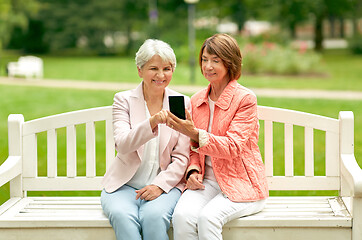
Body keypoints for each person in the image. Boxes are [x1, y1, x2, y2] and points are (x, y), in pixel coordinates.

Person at [167, 33, 269, 240]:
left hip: (242, 183)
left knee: (208, 218)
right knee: (181, 216)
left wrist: (194, 133)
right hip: (208, 182)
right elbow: (193, 148)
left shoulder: (245, 99)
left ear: (230, 63)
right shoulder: (197, 100)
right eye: (204, 60)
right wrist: (193, 171)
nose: (208, 66)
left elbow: (233, 146)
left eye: (216, 60)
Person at [101, 39, 190, 240]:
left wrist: (159, 185)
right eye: (153, 68)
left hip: (165, 186)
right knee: (123, 217)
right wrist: (152, 122)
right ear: (140, 70)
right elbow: (123, 144)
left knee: (154, 217)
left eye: (167, 68)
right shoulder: (123, 100)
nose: (161, 75)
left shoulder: (182, 103)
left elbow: (182, 157)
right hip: (124, 185)